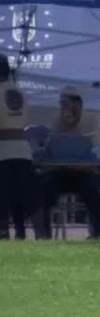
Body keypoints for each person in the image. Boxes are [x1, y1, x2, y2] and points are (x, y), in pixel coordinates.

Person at [41, 87, 100, 239]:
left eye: (69, 105)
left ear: (79, 105)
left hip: (85, 172)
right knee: (44, 191)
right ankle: (44, 236)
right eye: (62, 105)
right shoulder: (57, 121)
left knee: (95, 193)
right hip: (61, 172)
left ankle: (98, 234)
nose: (66, 110)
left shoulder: (93, 120)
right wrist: (65, 127)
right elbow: (50, 149)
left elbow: (94, 149)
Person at [0, 56, 35, 239]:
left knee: (3, 197)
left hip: (2, 150)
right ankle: (20, 232)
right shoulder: (22, 93)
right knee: (18, 197)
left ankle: (3, 232)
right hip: (22, 149)